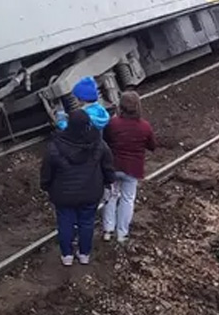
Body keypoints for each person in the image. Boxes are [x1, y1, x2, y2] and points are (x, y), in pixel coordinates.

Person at [40, 109, 116, 266]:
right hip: (90, 192)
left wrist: (46, 186)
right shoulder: (98, 143)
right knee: (87, 223)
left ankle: (67, 256)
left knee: (65, 223)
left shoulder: (55, 145)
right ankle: (84, 254)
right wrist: (109, 183)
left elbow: (47, 170)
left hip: (63, 194)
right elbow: (108, 166)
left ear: (69, 124)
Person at [102, 90, 157, 244]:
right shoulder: (144, 126)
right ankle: (122, 234)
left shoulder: (113, 123)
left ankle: (107, 230)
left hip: (113, 167)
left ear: (120, 106)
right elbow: (152, 146)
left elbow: (105, 139)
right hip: (133, 169)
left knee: (110, 197)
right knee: (127, 199)